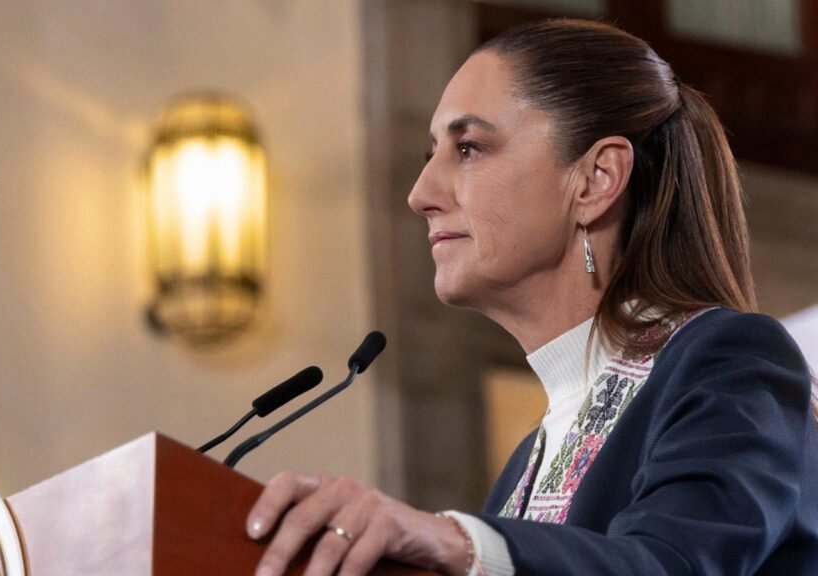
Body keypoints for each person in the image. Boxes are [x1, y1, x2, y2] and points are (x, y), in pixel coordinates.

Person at [244, 18, 818, 576]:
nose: (420, 194)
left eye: (469, 147)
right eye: (430, 155)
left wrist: (452, 540)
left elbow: (672, 563)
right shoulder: (525, 464)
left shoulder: (730, 361)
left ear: (596, 179)